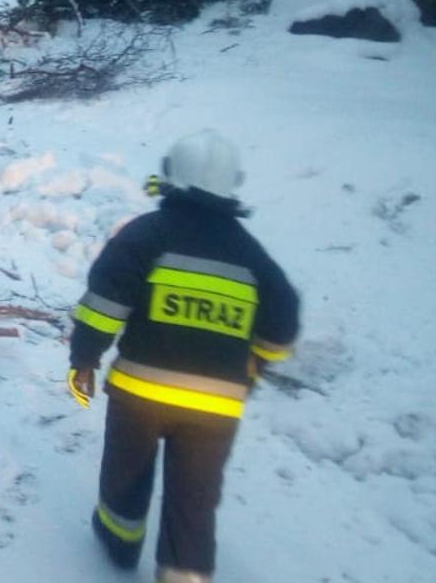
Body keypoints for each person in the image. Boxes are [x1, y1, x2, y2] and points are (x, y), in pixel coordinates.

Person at [67, 130, 301, 583]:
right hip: (216, 408)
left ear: (171, 174)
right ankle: (184, 573)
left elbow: (103, 305)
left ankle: (119, 542)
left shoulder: (146, 234)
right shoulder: (251, 255)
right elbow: (283, 326)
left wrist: (85, 359)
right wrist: (254, 367)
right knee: (195, 500)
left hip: (139, 396)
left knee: (126, 474)